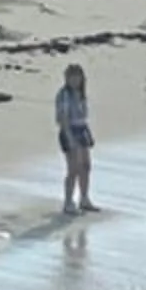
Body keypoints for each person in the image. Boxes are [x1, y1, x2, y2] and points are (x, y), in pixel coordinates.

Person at [53, 61, 95, 214]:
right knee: (73, 168)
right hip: (70, 129)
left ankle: (84, 198)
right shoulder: (64, 94)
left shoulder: (81, 93)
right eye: (72, 78)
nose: (75, 81)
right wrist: (69, 136)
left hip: (82, 128)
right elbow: (62, 118)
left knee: (86, 166)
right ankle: (68, 201)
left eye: (77, 77)